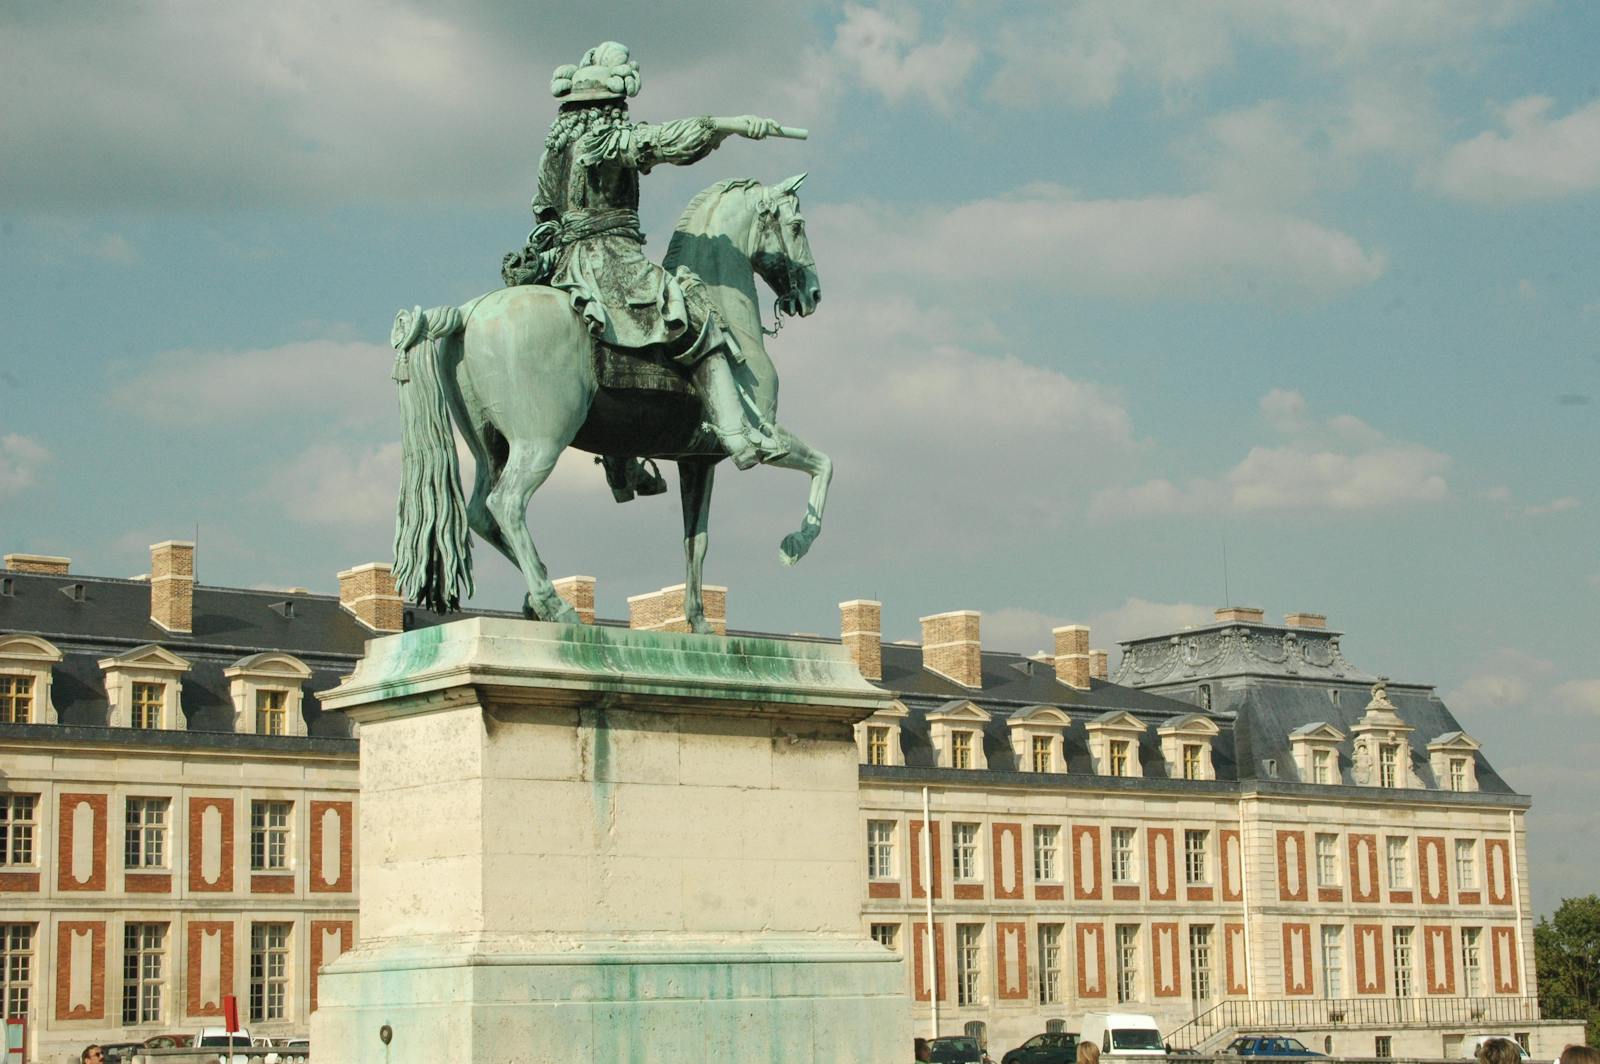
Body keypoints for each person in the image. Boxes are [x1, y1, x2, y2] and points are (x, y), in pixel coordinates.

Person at [504, 40, 789, 478]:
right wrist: (727, 125)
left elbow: (544, 211)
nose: (623, 112)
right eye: (620, 105)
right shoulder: (603, 139)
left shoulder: (554, 154)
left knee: (608, 341)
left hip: (559, 261)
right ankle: (737, 433)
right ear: (608, 107)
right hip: (606, 258)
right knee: (695, 312)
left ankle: (621, 463)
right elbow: (661, 142)